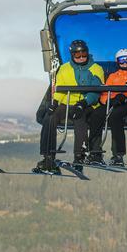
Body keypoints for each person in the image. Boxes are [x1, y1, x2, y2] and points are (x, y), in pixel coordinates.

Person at [35, 39, 105, 173]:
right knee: (50, 117)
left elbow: (95, 91)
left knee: (80, 119)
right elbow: (60, 89)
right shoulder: (65, 68)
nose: (81, 58)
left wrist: (82, 104)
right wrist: (54, 103)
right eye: (77, 55)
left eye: (84, 54)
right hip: (67, 102)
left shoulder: (96, 69)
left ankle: (79, 157)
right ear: (72, 55)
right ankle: (48, 157)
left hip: (86, 103)